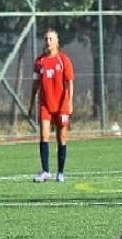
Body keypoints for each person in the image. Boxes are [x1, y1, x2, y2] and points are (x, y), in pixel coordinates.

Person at [28, 28, 74, 183]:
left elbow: (69, 83)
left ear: (56, 41)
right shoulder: (39, 61)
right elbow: (35, 84)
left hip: (61, 105)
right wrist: (31, 103)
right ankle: (46, 171)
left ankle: (60, 172)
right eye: (46, 39)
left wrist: (69, 102)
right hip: (45, 105)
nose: (47, 42)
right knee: (44, 136)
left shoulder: (64, 59)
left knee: (61, 138)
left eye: (50, 39)